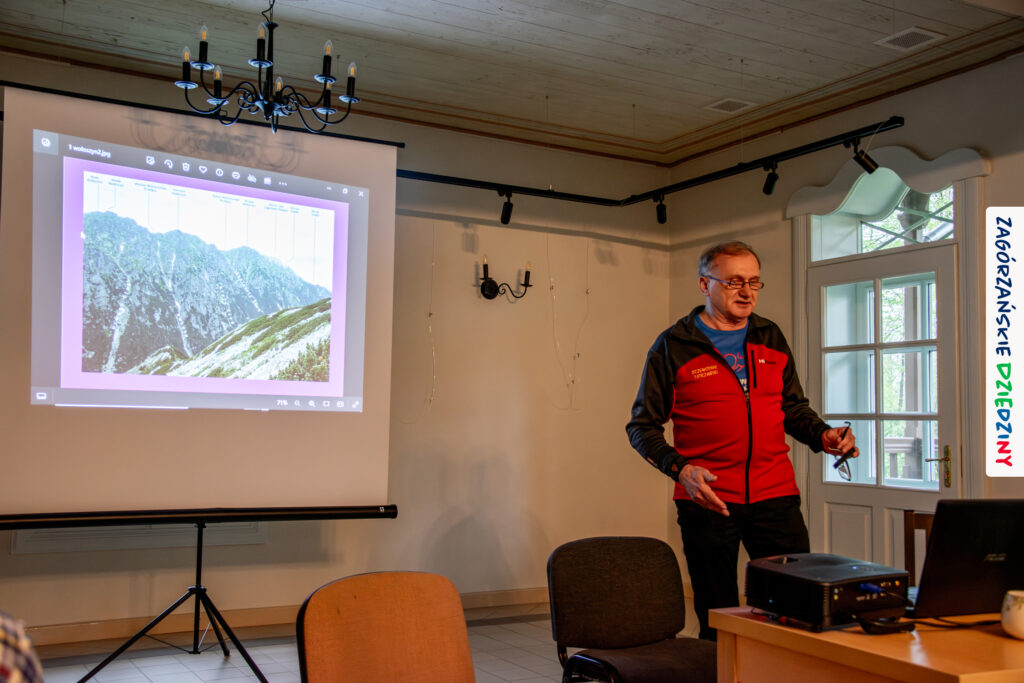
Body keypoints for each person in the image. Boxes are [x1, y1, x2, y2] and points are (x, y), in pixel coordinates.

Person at [625, 240, 857, 640]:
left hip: (776, 496)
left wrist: (824, 435)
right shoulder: (673, 346)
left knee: (795, 608)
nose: (746, 292)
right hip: (708, 501)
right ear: (704, 284)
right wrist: (681, 470)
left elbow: (793, 409)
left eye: (753, 282)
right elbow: (641, 427)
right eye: (733, 282)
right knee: (719, 615)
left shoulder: (769, 336)